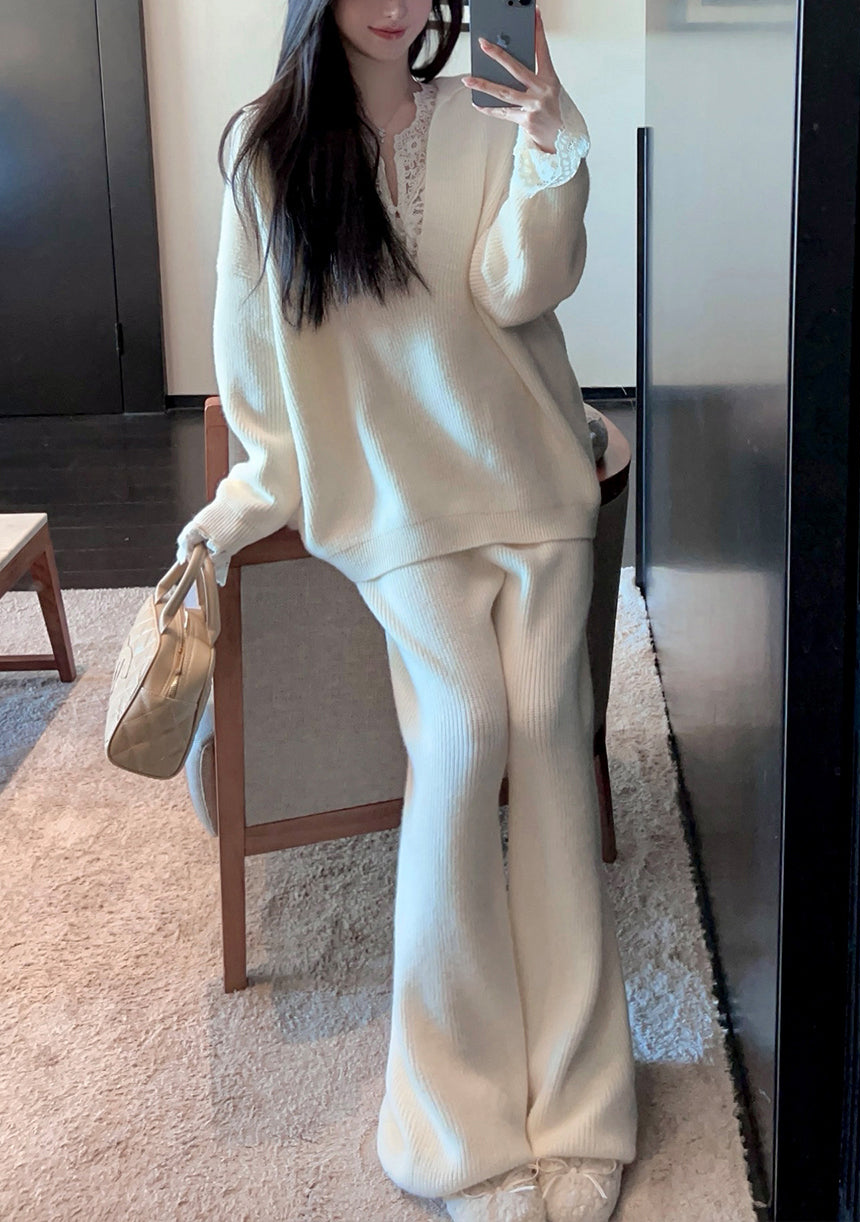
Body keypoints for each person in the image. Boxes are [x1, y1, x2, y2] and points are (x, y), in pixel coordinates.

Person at [176, 1, 638, 1218]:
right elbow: (251, 349)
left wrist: (549, 137)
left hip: (529, 480)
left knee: (548, 736)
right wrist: (252, 493)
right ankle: (453, 1129)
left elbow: (518, 288)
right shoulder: (268, 152)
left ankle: (580, 1106)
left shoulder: (480, 117)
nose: (393, 6)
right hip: (391, 502)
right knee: (465, 732)